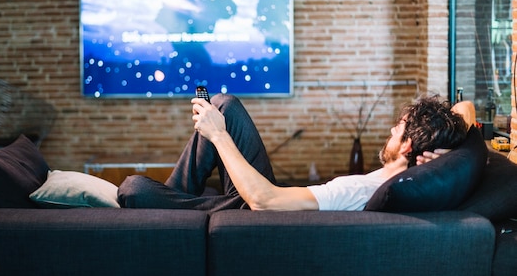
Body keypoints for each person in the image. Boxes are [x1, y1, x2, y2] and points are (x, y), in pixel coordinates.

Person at [117, 93, 475, 212]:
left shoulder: (354, 192)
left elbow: (262, 200)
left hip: (259, 216)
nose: (388, 134)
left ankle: (165, 212)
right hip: (271, 203)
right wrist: (441, 152)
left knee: (135, 189)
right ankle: (170, 211)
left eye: (396, 131)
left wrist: (218, 137)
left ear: (408, 146)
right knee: (224, 104)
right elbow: (467, 109)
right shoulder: (421, 172)